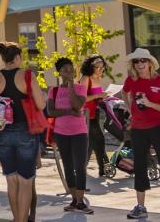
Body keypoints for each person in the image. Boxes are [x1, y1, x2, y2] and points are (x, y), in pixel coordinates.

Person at [0, 42, 45, 222]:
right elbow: (41, 104)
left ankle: (17, 219)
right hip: (25, 131)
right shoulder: (28, 75)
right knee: (25, 181)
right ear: (18, 57)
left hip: (2, 132)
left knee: (11, 180)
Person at [122, 48, 160, 221]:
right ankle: (140, 207)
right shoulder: (131, 80)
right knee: (139, 166)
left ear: (150, 63)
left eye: (143, 61)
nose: (139, 64)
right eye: (136, 61)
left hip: (158, 128)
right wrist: (130, 109)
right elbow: (125, 92)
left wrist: (150, 104)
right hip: (138, 129)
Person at [49, 57, 104, 213]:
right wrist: (67, 112)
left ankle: (81, 202)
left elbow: (78, 105)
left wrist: (71, 86)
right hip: (61, 133)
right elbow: (51, 111)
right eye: (65, 70)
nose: (69, 72)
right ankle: (74, 200)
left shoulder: (80, 88)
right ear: (59, 72)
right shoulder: (53, 90)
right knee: (68, 166)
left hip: (79, 132)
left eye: (71, 69)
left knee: (80, 166)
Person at [81, 54, 114, 178]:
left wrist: (105, 96)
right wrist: (98, 96)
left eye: (102, 67)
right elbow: (82, 98)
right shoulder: (86, 78)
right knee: (97, 140)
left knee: (94, 142)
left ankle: (95, 168)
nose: (101, 70)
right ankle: (102, 168)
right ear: (90, 66)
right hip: (85, 114)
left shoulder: (97, 78)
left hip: (94, 112)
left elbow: (96, 96)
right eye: (98, 67)